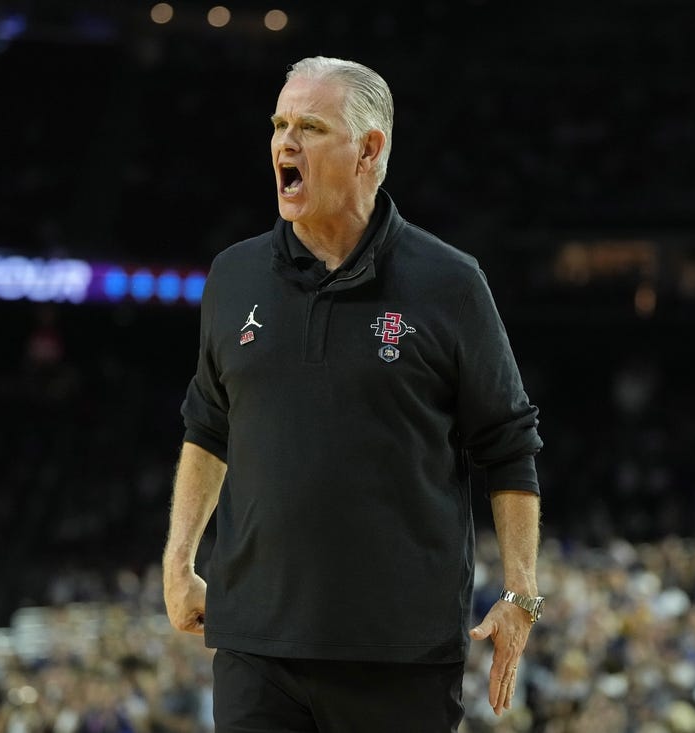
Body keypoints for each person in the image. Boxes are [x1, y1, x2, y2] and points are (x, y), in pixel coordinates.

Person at [162, 56, 544, 732]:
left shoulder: (450, 283)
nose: (285, 142)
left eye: (309, 126)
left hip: (398, 651)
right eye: (279, 124)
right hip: (255, 643)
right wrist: (178, 557)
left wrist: (520, 591)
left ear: (370, 149)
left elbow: (509, 443)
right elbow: (208, 423)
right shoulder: (233, 274)